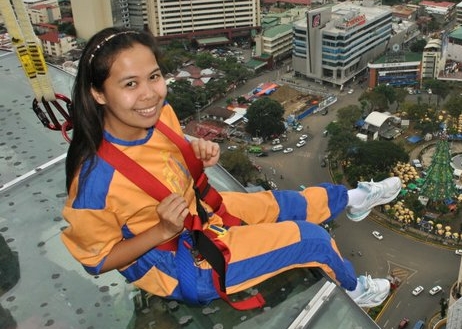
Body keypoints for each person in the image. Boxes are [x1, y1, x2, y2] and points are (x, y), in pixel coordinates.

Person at [61, 27, 402, 309]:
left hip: (200, 213)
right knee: (312, 239)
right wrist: (160, 232)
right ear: (99, 94)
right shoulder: (95, 182)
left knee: (283, 204)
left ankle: (355, 199)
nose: (149, 94)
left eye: (154, 76)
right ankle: (355, 290)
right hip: (181, 260)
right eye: (130, 84)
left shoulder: (158, 115)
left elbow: (161, 158)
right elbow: (97, 260)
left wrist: (195, 149)